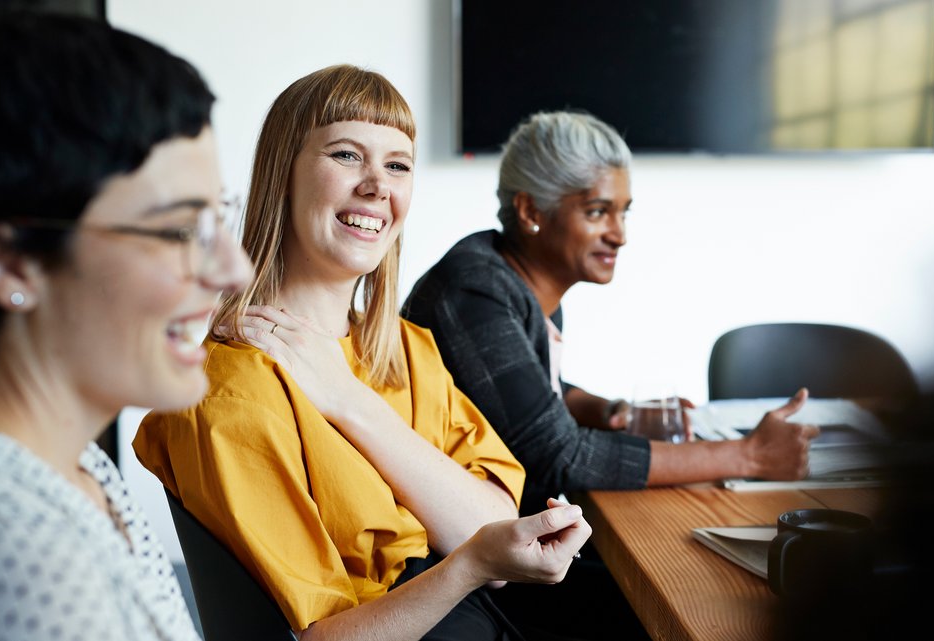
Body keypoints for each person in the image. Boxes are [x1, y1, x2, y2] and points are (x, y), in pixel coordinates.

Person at [133, 65, 591, 641]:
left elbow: (497, 527)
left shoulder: (406, 348)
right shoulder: (229, 394)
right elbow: (326, 635)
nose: (378, 186)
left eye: (397, 165)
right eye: (347, 155)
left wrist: (349, 400)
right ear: (284, 175)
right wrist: (468, 564)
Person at [401, 110, 821, 639]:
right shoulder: (475, 291)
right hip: (474, 582)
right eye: (598, 212)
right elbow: (560, 458)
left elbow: (529, 394)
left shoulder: (515, 279)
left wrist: (608, 411)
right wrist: (749, 455)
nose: (619, 234)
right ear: (532, 210)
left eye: (623, 212)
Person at [0, 12, 252, 641]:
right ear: (13, 262)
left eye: (217, 218)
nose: (234, 270)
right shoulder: (24, 548)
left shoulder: (81, 467)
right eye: (177, 231)